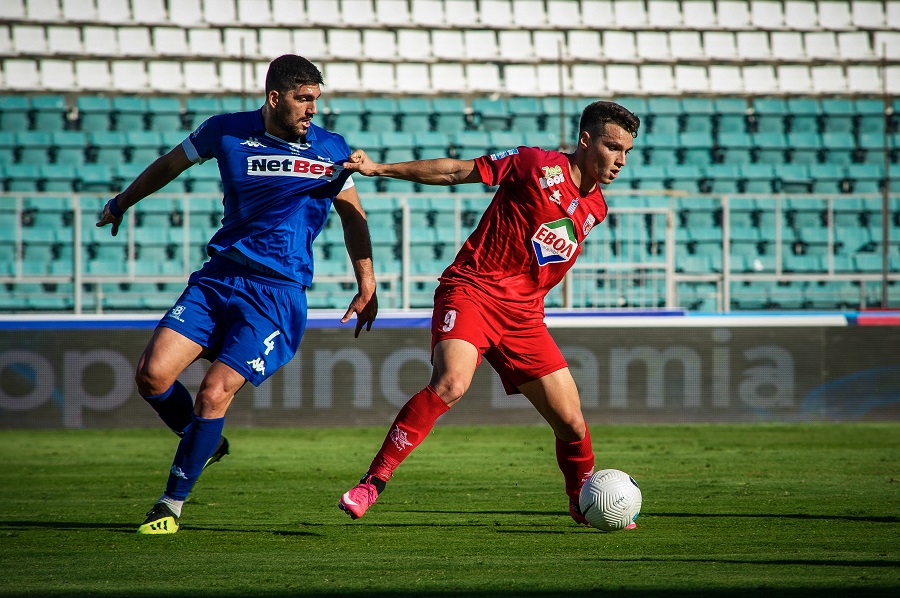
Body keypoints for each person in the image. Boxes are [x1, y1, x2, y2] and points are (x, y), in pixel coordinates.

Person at [96, 54, 378, 535]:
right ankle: (204, 441)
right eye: (303, 99)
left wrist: (366, 281)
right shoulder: (224, 131)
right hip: (218, 279)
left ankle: (170, 506)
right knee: (151, 376)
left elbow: (353, 215)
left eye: (316, 99)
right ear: (275, 98)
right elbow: (169, 165)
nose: (312, 109)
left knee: (213, 392)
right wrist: (122, 201)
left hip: (276, 295)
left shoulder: (332, 149)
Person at [337, 100, 639, 526]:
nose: (620, 160)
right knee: (451, 384)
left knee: (572, 424)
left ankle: (582, 500)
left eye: (627, 152)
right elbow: (457, 171)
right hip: (473, 293)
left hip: (525, 318)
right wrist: (380, 168)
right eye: (613, 147)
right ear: (585, 140)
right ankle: (373, 482)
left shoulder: (596, 209)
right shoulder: (534, 163)